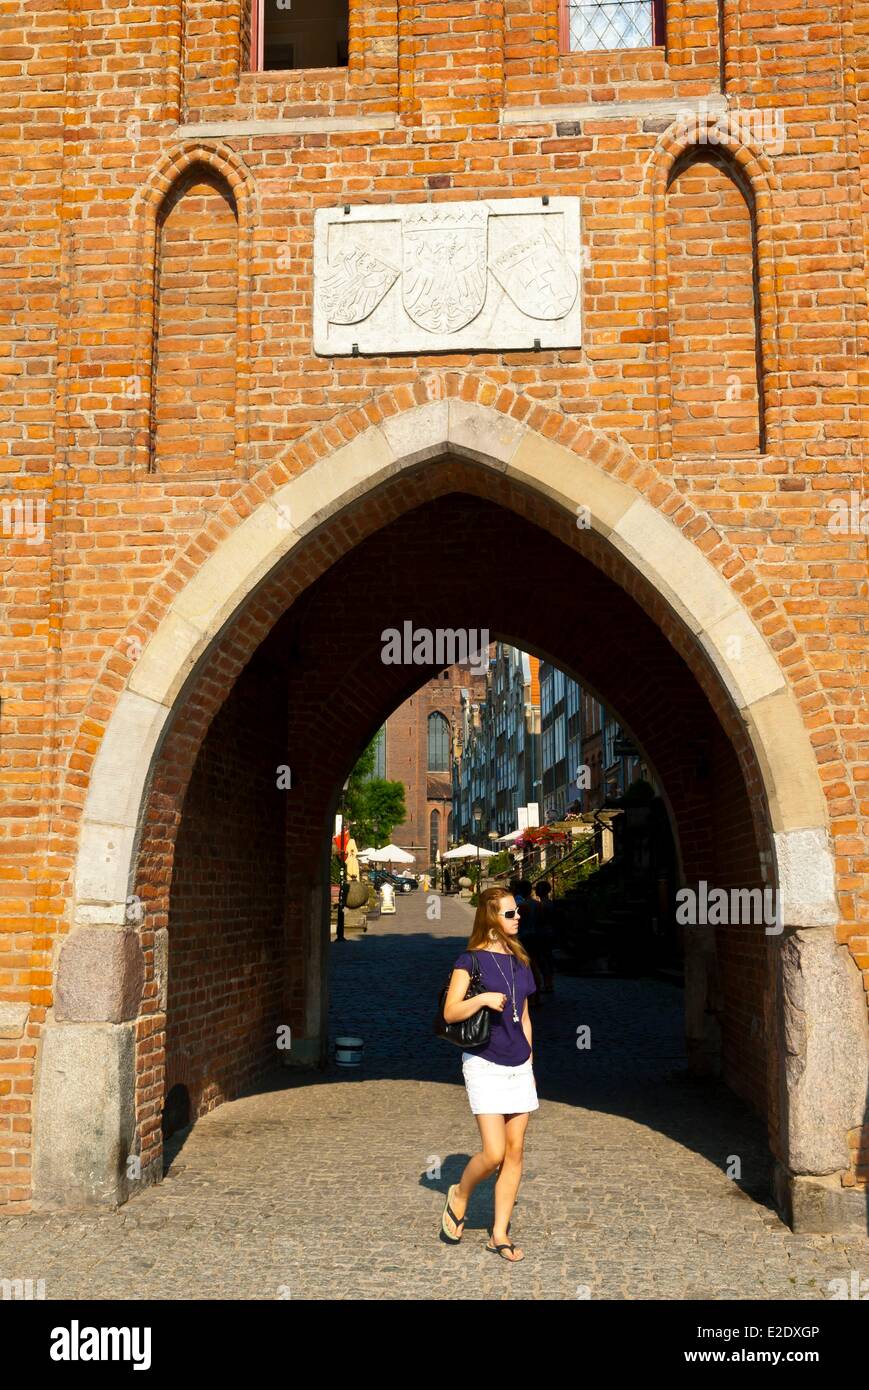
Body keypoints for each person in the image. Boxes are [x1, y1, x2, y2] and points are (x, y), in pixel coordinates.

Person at [439, 887, 538, 1263]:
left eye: (518, 912)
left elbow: (526, 1015)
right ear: (491, 918)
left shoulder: (521, 960)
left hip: (519, 1064)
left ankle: (499, 1233)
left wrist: (530, 1061)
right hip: (484, 1062)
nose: (517, 918)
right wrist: (481, 999)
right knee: (494, 1152)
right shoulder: (469, 961)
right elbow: (450, 1012)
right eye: (510, 914)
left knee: (515, 1153)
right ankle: (460, 1194)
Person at [516, 878, 544, 1006]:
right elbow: (540, 922)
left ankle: (529, 997)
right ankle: (536, 996)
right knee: (535, 966)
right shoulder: (537, 904)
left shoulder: (520, 906)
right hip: (535, 936)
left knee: (526, 967)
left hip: (523, 937)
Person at [533, 880, 556, 994]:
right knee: (547, 957)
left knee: (543, 958)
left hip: (542, 933)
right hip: (548, 932)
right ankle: (549, 982)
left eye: (537, 888)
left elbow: (540, 920)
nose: (535, 890)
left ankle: (547, 983)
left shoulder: (542, 905)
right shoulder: (549, 903)